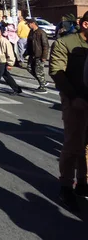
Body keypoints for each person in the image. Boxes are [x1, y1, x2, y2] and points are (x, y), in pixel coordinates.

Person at [49, 11, 88, 213]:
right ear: (85, 24)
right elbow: (57, 71)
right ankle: (66, 186)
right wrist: (73, 98)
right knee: (74, 144)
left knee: (87, 145)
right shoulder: (66, 43)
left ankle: (83, 182)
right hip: (75, 100)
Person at [24, 18, 49, 94]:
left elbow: (45, 45)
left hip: (39, 55)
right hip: (32, 54)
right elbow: (29, 43)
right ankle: (42, 81)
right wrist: (26, 52)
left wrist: (44, 56)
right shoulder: (31, 32)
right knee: (29, 68)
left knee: (38, 71)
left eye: (28, 24)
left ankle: (43, 87)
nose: (28, 25)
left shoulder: (41, 32)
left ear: (33, 23)